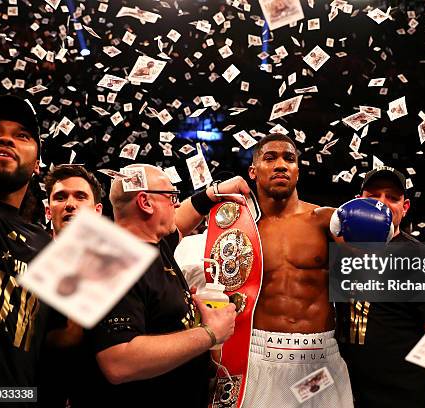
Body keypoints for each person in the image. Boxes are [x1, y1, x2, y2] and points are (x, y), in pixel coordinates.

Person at [86, 164, 249, 407]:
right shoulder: (113, 261)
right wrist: (209, 333)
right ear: (145, 202)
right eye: (171, 196)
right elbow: (118, 361)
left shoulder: (153, 245)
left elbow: (181, 221)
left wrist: (213, 193)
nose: (176, 203)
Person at [336, 165, 425, 408]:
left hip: (405, 399)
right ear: (357, 201)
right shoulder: (340, 250)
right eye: (373, 196)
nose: (382, 204)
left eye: (392, 198)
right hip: (348, 397)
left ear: (404, 208)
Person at [242, 133, 354, 407]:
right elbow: (177, 230)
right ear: (252, 171)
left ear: (297, 171)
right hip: (259, 356)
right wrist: (212, 193)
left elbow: (373, 263)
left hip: (320, 363)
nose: (281, 164)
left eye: (289, 159)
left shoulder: (326, 219)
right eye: (270, 158)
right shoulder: (241, 227)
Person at [0, 94, 50, 391]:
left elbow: (59, 338)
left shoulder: (45, 244)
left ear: (38, 164)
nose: (5, 139)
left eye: (22, 135)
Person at [37, 165, 104, 407]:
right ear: (48, 210)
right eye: (60, 197)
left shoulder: (117, 262)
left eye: (80, 196)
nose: (70, 204)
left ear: (98, 211)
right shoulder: (27, 257)